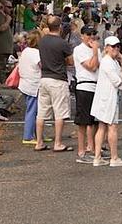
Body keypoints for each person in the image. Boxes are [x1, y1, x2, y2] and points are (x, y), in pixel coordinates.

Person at [34, 16, 74, 152]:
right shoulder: (63, 43)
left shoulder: (42, 41)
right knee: (60, 113)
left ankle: (39, 142)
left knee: (41, 113)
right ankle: (58, 143)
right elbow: (70, 62)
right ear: (60, 27)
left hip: (44, 78)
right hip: (58, 79)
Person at [90, 35, 122, 167]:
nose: (116, 49)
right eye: (113, 46)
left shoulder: (113, 62)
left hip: (106, 97)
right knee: (112, 127)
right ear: (106, 48)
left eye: (118, 46)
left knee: (102, 126)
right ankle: (114, 157)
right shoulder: (107, 62)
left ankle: (97, 157)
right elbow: (118, 81)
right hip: (108, 98)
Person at [72, 25, 101, 163]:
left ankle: (93, 148)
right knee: (83, 121)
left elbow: (100, 66)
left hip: (97, 86)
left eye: (93, 34)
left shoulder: (97, 50)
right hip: (84, 86)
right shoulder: (79, 50)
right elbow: (91, 66)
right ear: (82, 36)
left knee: (95, 121)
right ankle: (81, 150)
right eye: (88, 34)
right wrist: (95, 52)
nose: (91, 37)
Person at [17, 30, 42, 144]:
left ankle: (37, 134)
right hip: (33, 85)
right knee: (33, 111)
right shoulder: (36, 53)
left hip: (25, 83)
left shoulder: (26, 51)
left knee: (34, 110)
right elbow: (42, 66)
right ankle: (28, 136)